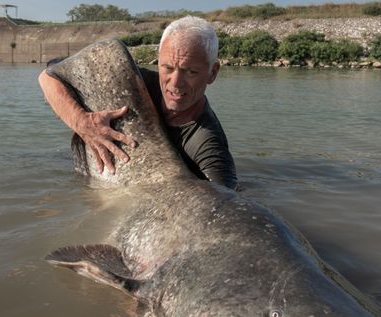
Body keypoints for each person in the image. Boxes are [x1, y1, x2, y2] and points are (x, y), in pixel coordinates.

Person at [38, 16, 237, 189]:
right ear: (158, 61)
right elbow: (47, 78)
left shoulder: (208, 147)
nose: (175, 83)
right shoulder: (135, 83)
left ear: (213, 72)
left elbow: (225, 204)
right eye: (167, 68)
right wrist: (82, 122)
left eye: (190, 72)